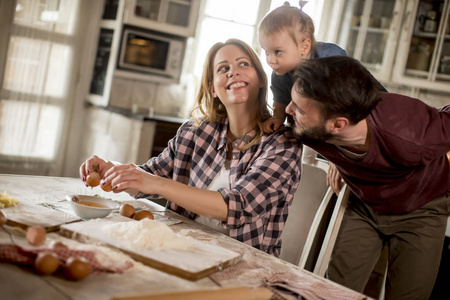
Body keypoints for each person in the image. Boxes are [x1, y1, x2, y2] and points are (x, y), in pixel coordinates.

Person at [79, 39, 302, 256]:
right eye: (223, 68)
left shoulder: (282, 144)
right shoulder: (195, 132)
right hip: (179, 251)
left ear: (261, 79)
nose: (233, 71)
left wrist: (154, 182)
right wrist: (111, 169)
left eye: (243, 64)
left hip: (244, 267)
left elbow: (237, 206)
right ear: (213, 89)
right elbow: (149, 175)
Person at [286, 55, 450, 299]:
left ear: (338, 125)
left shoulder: (412, 135)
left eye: (298, 109)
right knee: (335, 291)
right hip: (365, 205)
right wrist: (336, 158)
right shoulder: (306, 124)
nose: (289, 110)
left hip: (422, 210)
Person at [258, 1, 347, 134]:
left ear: (304, 47)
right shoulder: (280, 73)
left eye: (277, 52)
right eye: (266, 52)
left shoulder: (329, 57)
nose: (270, 60)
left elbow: (346, 92)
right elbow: (281, 99)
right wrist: (278, 117)